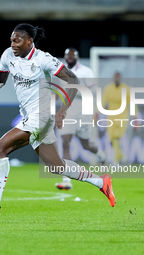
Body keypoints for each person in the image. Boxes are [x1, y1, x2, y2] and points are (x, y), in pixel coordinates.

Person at [0, 23, 115, 219]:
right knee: (56, 167)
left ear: (30, 41)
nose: (13, 44)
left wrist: (63, 110)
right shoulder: (8, 55)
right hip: (29, 116)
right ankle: (101, 182)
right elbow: (1, 78)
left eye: (17, 40)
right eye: (12, 40)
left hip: (42, 118)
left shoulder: (43, 60)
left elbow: (73, 80)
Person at [55, 48, 106, 191]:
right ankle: (66, 179)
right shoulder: (60, 71)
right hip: (67, 109)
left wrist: (95, 110)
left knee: (86, 144)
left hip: (83, 109)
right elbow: (59, 91)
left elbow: (95, 92)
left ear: (77, 57)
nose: (70, 57)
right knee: (65, 142)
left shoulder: (86, 72)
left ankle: (101, 155)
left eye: (72, 56)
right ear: (65, 57)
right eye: (67, 55)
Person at [102, 72, 136, 164]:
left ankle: (116, 159)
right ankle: (120, 155)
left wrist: (135, 118)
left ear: (120, 78)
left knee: (116, 137)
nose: (116, 79)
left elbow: (132, 104)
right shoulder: (108, 88)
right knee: (112, 139)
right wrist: (96, 113)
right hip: (111, 117)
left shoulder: (126, 89)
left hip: (122, 117)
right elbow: (103, 102)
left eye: (118, 78)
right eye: (115, 77)